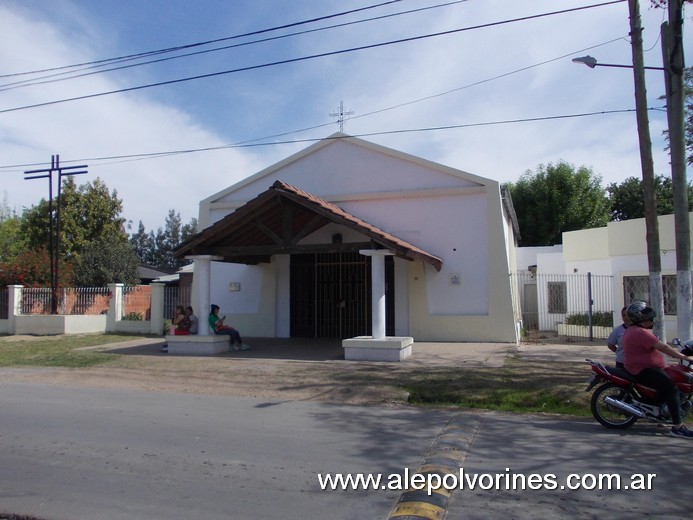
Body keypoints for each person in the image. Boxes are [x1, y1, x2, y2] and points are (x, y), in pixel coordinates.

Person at [622, 301, 693, 439]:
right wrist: (685, 357)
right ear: (640, 319)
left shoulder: (635, 330)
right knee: (671, 388)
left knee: (672, 382)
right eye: (648, 317)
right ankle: (677, 427)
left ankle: (663, 413)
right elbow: (664, 348)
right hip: (642, 370)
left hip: (646, 367)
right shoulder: (641, 333)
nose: (651, 320)